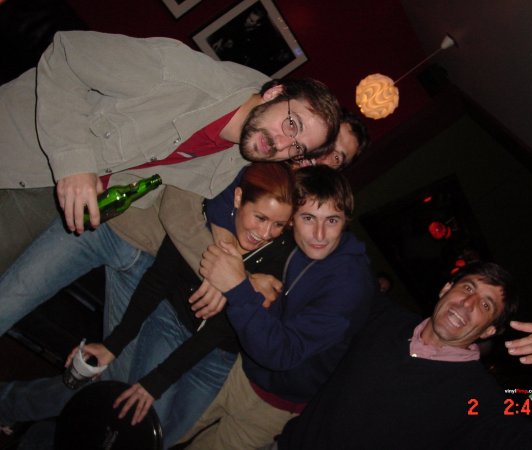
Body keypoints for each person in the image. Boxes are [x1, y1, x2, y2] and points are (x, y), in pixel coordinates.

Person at [0, 163, 297, 448]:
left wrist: (236, 285)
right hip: (170, 321)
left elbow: (220, 330)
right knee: (130, 407)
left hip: (215, 353)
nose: (266, 232)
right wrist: (118, 348)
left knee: (157, 434)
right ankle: (13, 407)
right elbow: (159, 276)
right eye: (260, 218)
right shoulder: (204, 223)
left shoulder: (280, 258)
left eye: (278, 225)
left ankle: (23, 418)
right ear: (238, 198)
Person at [0, 29, 341, 273]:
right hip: (21, 143)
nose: (282, 143)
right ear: (274, 93)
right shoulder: (177, 72)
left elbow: (177, 199)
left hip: (55, 197)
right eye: (291, 124)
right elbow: (66, 52)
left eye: (297, 147)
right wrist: (75, 162)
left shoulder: (235, 157)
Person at [275, 262, 532, 450]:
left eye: (486, 305)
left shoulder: (479, 401)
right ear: (446, 289)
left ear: (489, 331)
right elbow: (338, 269)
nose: (467, 304)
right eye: (468, 288)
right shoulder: (384, 318)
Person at [178, 165, 376, 450]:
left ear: (345, 220)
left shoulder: (349, 286)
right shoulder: (287, 237)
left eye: (332, 220)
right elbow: (224, 196)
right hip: (241, 368)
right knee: (166, 428)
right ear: (291, 218)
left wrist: (238, 286)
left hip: (275, 406)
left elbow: (283, 353)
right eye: (308, 218)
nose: (319, 234)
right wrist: (234, 261)